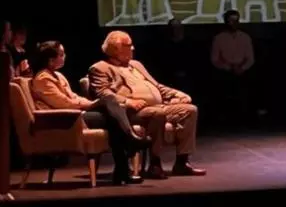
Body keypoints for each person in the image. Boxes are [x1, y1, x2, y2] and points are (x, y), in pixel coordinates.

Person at [89, 31, 205, 179]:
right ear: (116, 49)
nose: (133, 48)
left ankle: (182, 162)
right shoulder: (100, 68)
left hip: (159, 105)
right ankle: (155, 164)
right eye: (129, 45)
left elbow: (156, 86)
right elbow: (103, 94)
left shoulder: (136, 64)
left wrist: (177, 94)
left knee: (189, 110)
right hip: (131, 112)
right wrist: (128, 101)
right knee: (157, 114)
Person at [31, 41, 149, 185]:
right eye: (61, 54)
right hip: (64, 119)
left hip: (76, 114)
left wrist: (91, 103)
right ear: (50, 60)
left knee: (113, 118)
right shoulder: (43, 79)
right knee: (110, 104)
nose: (64, 56)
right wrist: (92, 104)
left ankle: (123, 167)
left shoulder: (58, 76)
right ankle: (128, 144)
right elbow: (63, 103)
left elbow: (74, 97)